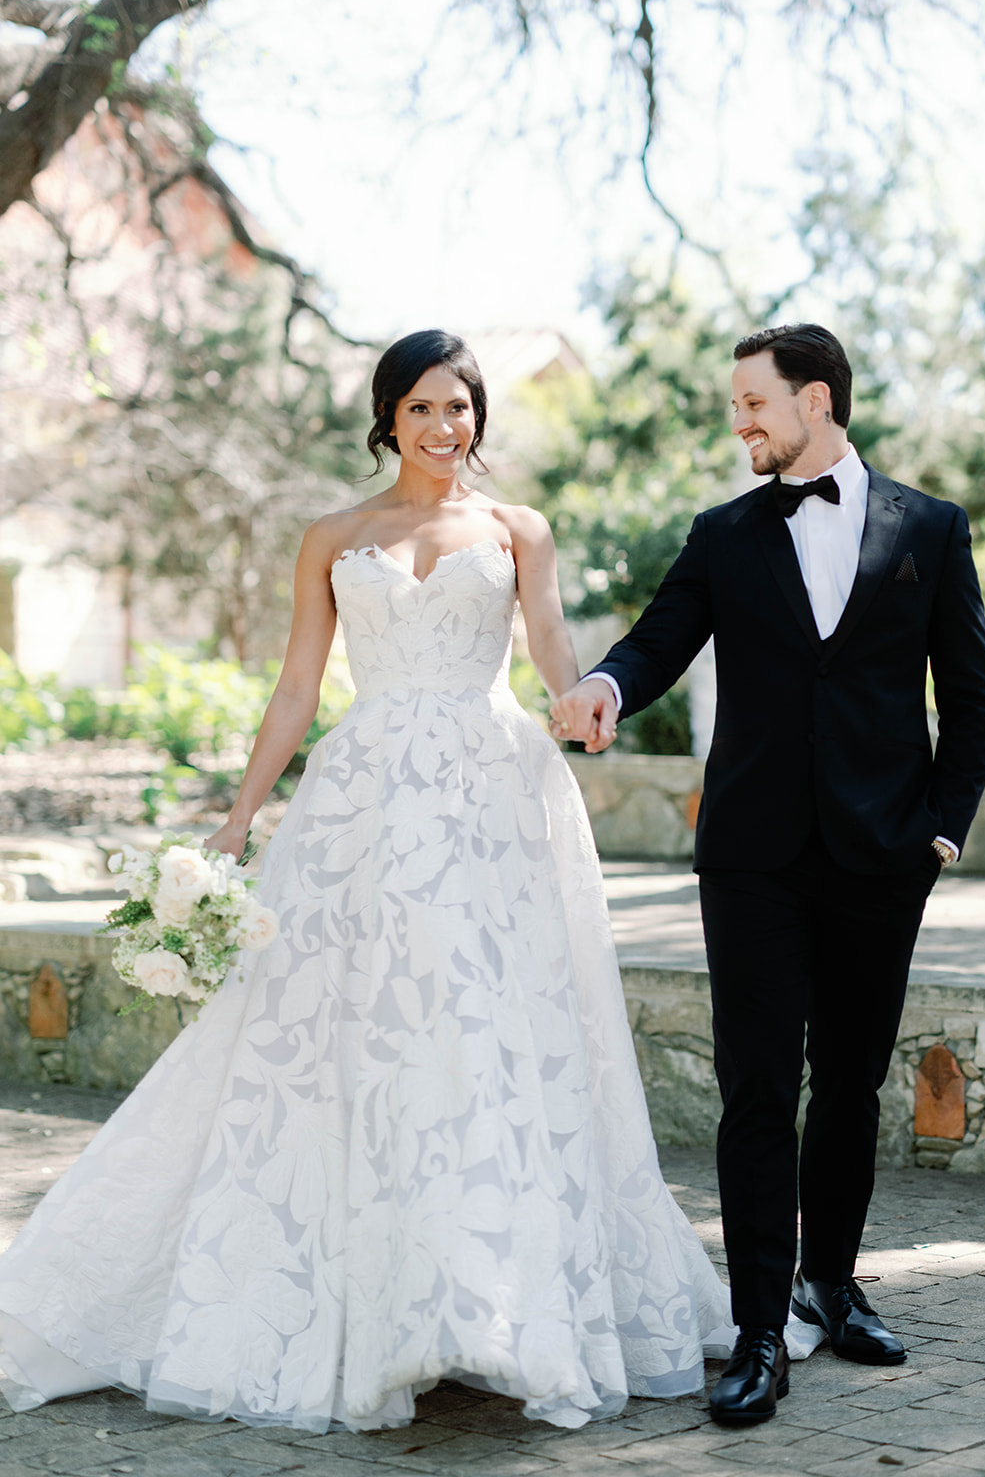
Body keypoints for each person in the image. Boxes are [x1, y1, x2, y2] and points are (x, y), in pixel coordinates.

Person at [0, 330, 793, 1433]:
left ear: (478, 419)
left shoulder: (519, 530)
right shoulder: (335, 535)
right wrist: (237, 818)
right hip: (362, 807)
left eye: (460, 408)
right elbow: (294, 689)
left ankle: (490, 1308)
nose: (443, 428)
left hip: (496, 801)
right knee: (356, 1042)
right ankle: (390, 1306)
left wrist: (589, 702)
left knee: (486, 1037)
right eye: (421, 409)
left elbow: (558, 652)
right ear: (388, 419)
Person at [551, 323, 985, 1425]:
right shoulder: (724, 533)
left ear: (819, 401)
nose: (740, 422)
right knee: (758, 1086)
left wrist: (942, 830)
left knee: (852, 1081)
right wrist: (607, 684)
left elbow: (971, 691)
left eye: (755, 402)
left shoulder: (932, 529)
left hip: (882, 850)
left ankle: (832, 1284)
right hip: (751, 855)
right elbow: (659, 639)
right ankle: (758, 1329)